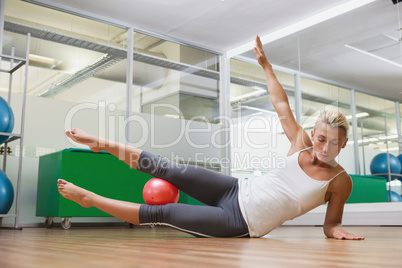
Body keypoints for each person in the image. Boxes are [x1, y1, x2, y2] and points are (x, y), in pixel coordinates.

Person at [57, 35, 364, 240]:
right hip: (235, 189)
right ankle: (100, 143)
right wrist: (266, 66)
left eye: (334, 143)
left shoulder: (340, 181)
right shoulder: (301, 143)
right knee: (167, 168)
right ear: (314, 134)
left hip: (241, 223)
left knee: (163, 212)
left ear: (343, 145)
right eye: (321, 139)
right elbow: (281, 106)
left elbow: (330, 224)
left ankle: (90, 200)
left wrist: (336, 231)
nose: (325, 147)